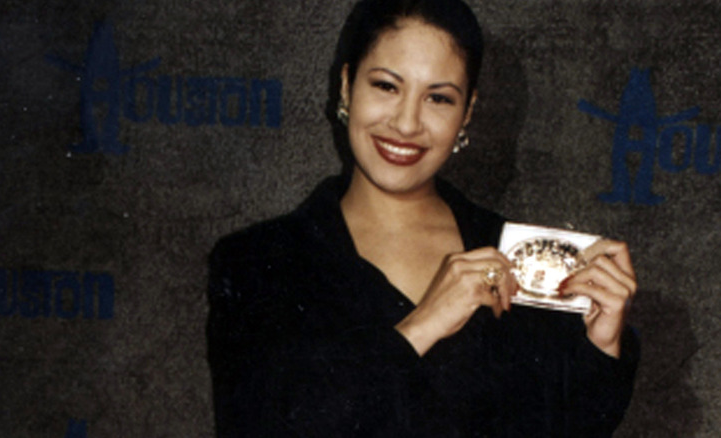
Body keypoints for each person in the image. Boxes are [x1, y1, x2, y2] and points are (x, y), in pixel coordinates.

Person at [207, 0, 639, 436]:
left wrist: (601, 344)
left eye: (438, 98)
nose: (407, 123)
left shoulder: (519, 257)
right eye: (386, 86)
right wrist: (422, 326)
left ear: (467, 111)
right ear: (346, 86)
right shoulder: (257, 262)